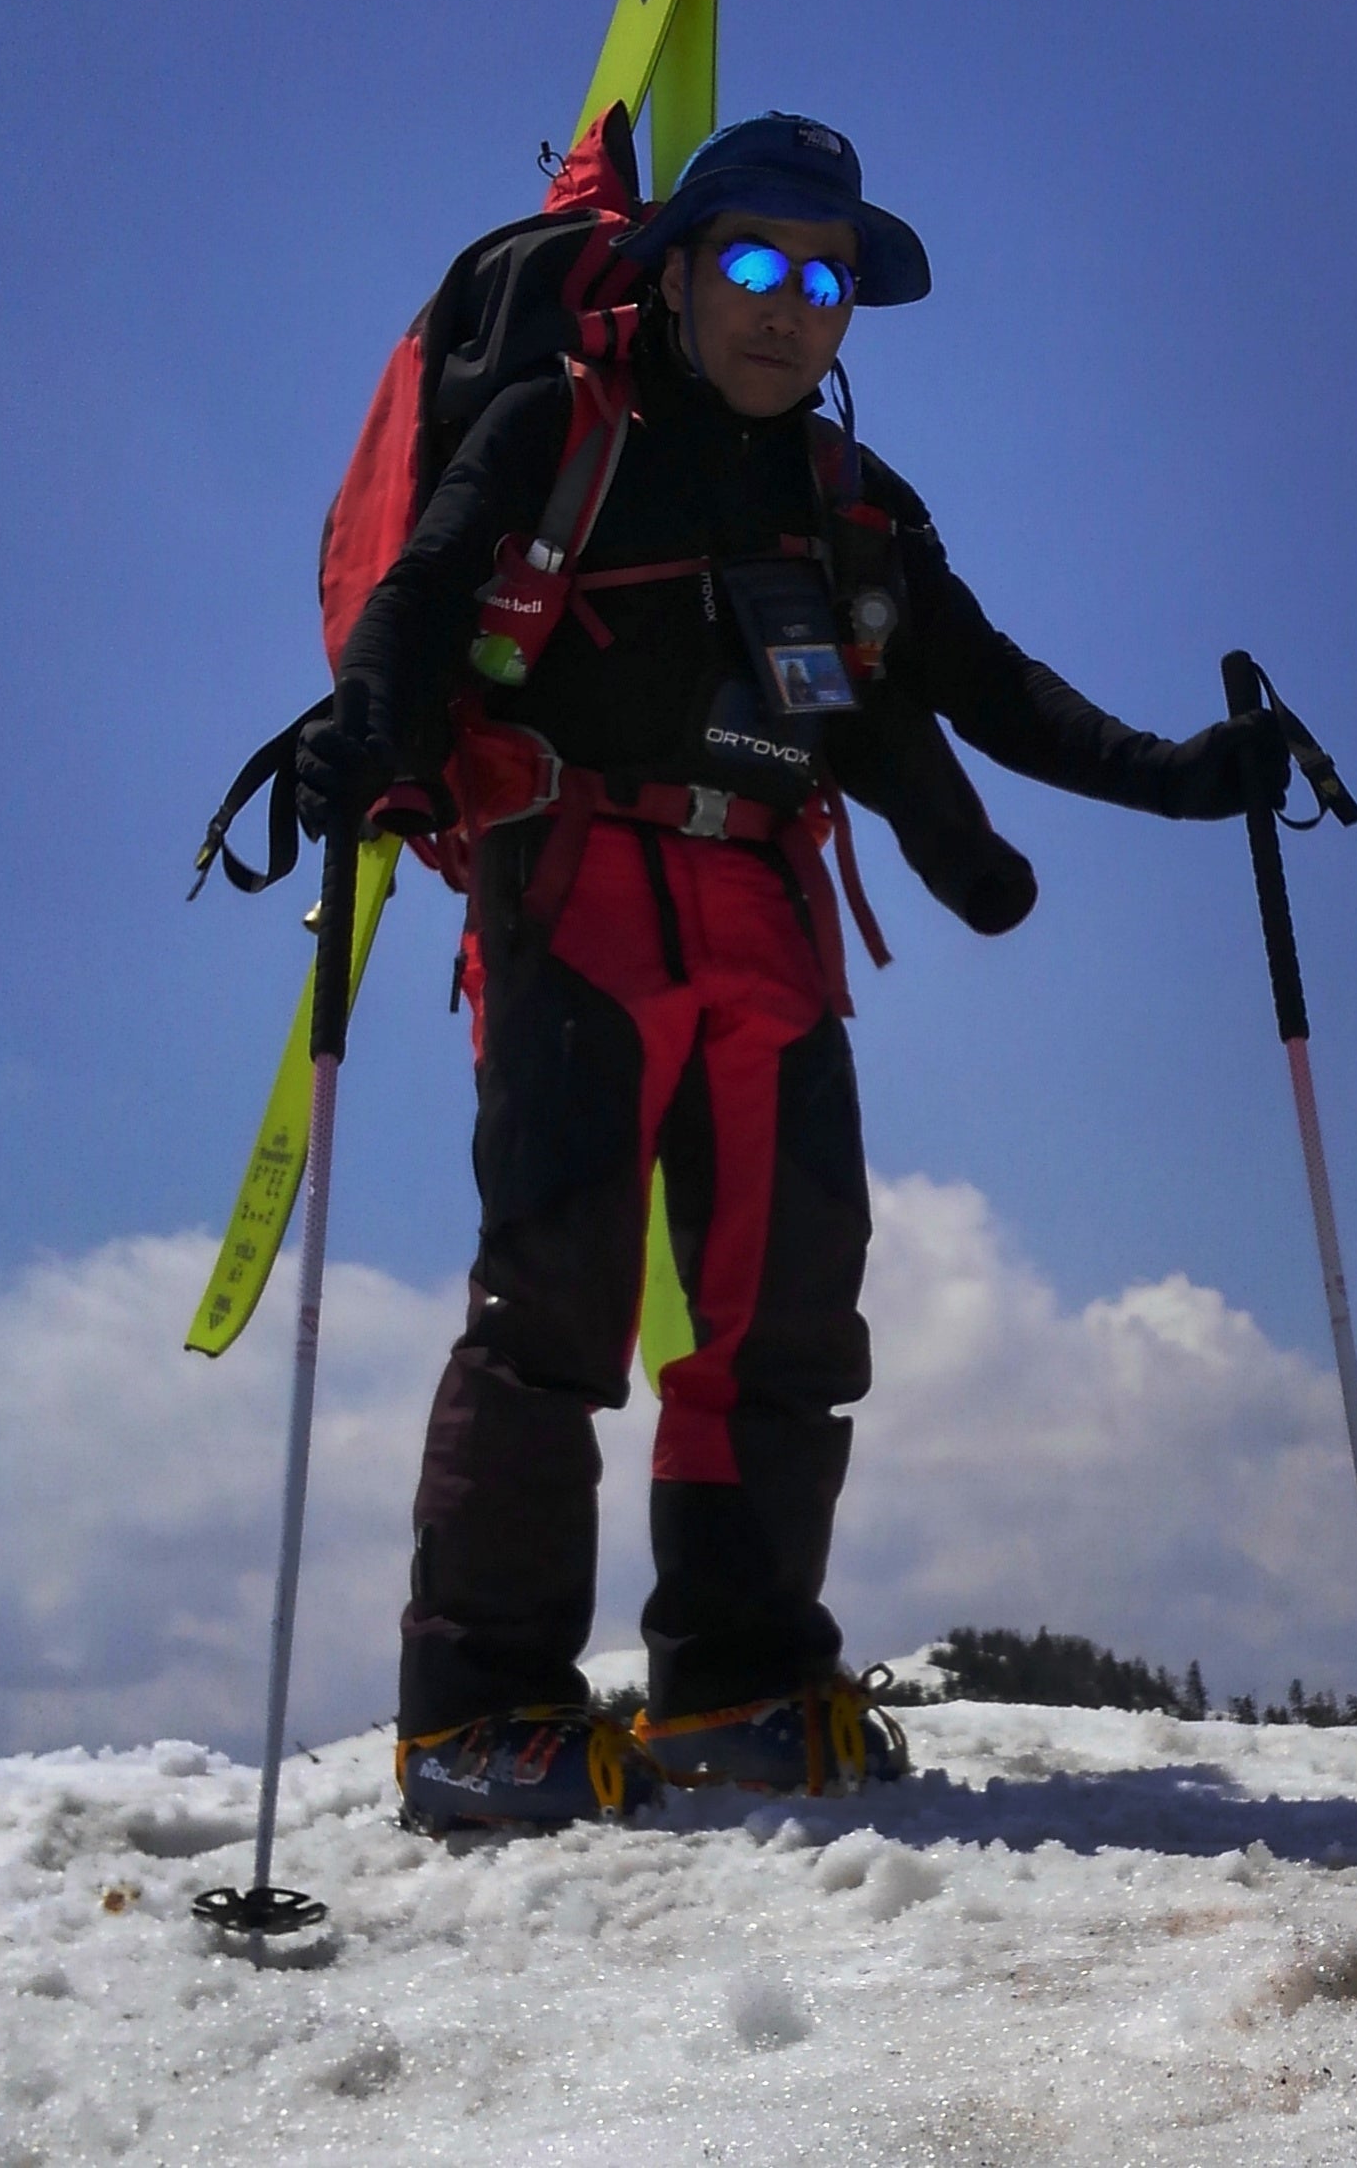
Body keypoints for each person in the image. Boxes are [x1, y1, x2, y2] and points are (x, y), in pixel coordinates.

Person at [298, 112, 1284, 1829]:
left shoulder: (849, 498)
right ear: (676, 270)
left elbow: (987, 683)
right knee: (556, 1313)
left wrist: (1185, 775)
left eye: (825, 280)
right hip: (578, 887)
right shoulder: (562, 423)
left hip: (768, 921)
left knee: (790, 1323)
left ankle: (738, 1683)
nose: (786, 304)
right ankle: (479, 1714)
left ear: (848, 321)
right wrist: (364, 730)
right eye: (750, 261)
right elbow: (427, 582)